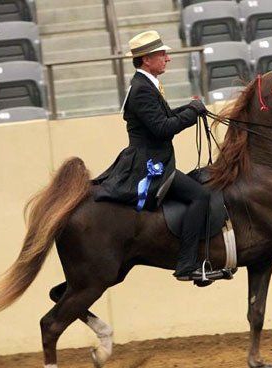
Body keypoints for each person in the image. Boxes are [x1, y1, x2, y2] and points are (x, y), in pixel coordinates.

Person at [93, 30, 221, 281]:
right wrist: (191, 113)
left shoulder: (147, 85)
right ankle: (186, 264)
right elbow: (162, 128)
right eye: (162, 54)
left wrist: (190, 108)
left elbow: (164, 117)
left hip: (155, 160)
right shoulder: (142, 89)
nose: (167, 58)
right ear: (146, 59)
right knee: (201, 196)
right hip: (149, 165)